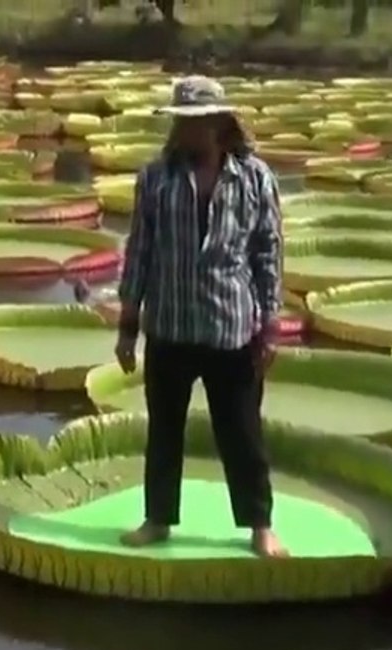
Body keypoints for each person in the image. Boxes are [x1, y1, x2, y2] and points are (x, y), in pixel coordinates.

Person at [114, 75, 287, 558]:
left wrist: (270, 326)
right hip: (169, 324)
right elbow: (140, 251)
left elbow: (267, 253)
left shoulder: (254, 178)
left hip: (230, 327)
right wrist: (128, 326)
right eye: (181, 123)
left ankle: (259, 524)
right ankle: (158, 519)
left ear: (218, 123)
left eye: (196, 122)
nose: (186, 132)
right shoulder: (155, 179)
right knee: (164, 429)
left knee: (242, 431)